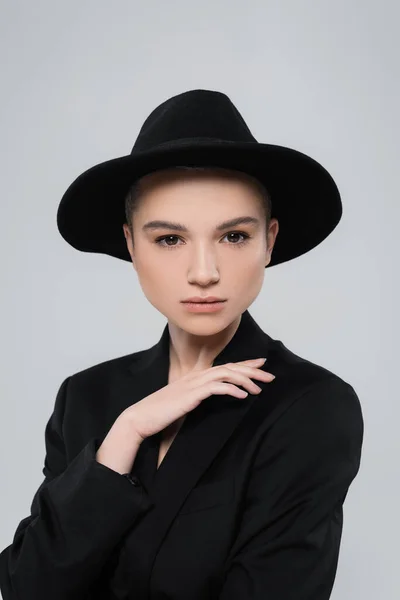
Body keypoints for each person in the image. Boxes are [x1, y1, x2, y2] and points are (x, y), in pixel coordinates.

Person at [0, 89, 364, 600]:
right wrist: (123, 437)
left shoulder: (311, 407)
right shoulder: (86, 397)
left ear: (270, 240)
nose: (204, 273)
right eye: (169, 239)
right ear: (130, 244)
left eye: (234, 236)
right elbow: (28, 588)